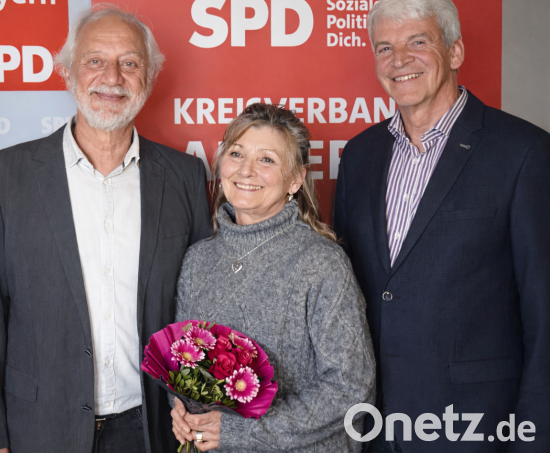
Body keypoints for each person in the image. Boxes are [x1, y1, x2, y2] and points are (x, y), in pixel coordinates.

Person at [0, 6, 211, 453]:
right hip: (36, 429)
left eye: (129, 63)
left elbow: (199, 313)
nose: (112, 77)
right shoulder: (3, 177)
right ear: (68, 73)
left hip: (153, 428)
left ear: (148, 78)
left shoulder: (185, 176)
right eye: (95, 60)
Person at [333, 0, 550, 451]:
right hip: (374, 429)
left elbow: (544, 316)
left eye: (418, 42)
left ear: (455, 52)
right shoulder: (359, 156)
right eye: (385, 47)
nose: (399, 60)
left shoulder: (524, 153)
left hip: (476, 430)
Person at [170, 104, 376, 452]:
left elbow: (352, 387)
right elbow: (184, 362)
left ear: (295, 179)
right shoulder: (198, 260)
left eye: (266, 159)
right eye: (236, 153)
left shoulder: (321, 262)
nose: (246, 170)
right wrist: (181, 408)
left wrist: (241, 432)